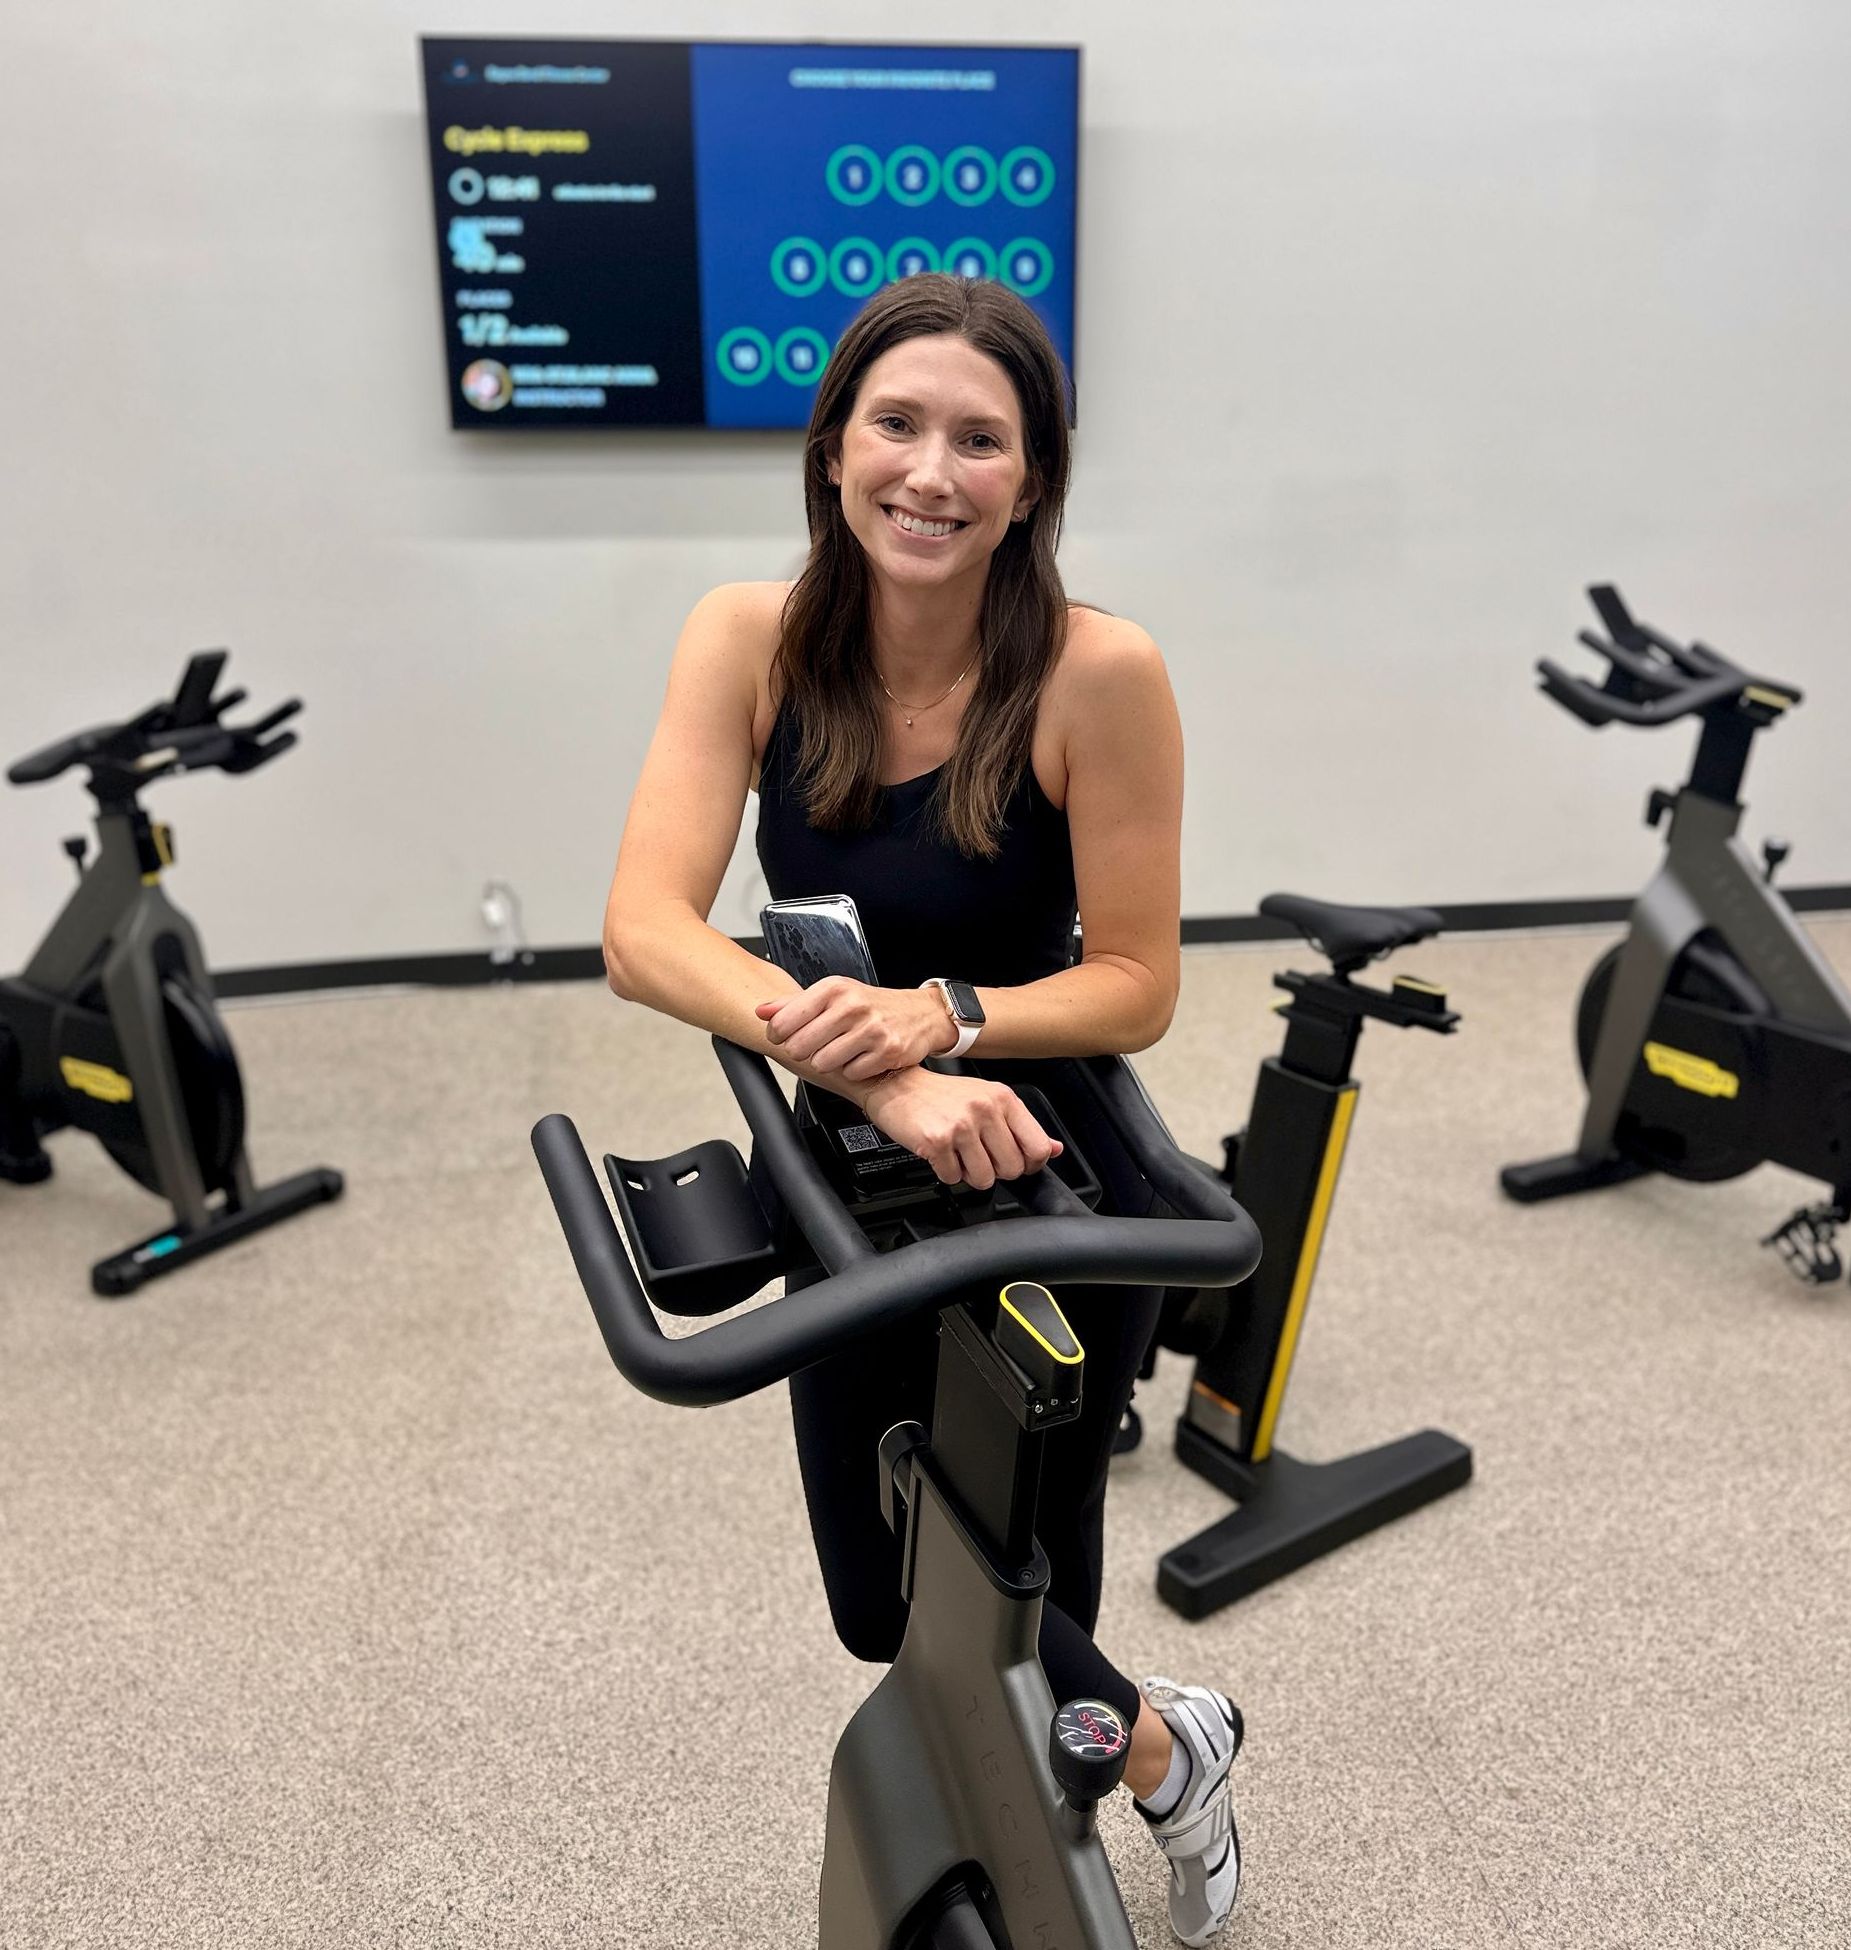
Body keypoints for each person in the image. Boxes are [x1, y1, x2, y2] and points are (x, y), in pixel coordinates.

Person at [602, 273, 1241, 1945]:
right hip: (846, 1166)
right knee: (884, 1591)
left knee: (1018, 1610)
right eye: (898, 425)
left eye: (982, 439)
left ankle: (1082, 1809)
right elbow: (645, 927)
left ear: (1033, 481)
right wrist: (879, 1065)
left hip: (1040, 1178)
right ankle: (1184, 1740)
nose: (931, 472)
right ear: (832, 449)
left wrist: (954, 1016)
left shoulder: (1100, 673)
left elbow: (1138, 979)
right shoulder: (748, 635)